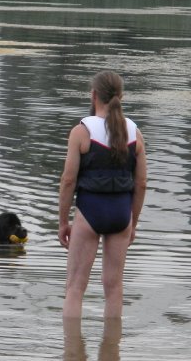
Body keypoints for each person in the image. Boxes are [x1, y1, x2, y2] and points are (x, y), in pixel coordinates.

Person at [58, 70, 147, 331]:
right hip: (121, 214)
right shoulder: (135, 134)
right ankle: (112, 355)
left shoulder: (81, 131)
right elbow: (141, 183)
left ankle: (72, 355)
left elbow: (67, 182)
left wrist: (63, 222)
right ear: (122, 96)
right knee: (114, 288)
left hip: (89, 211)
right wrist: (133, 221)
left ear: (94, 95)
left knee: (75, 287)